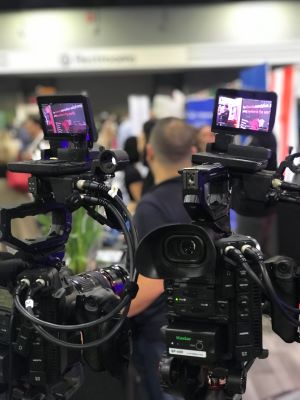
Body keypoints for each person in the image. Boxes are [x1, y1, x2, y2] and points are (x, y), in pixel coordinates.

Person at [128, 117, 197, 400]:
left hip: (162, 333)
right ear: (193, 152)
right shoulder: (204, 197)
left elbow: (153, 283)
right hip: (201, 325)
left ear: (151, 153)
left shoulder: (151, 206)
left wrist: (109, 315)